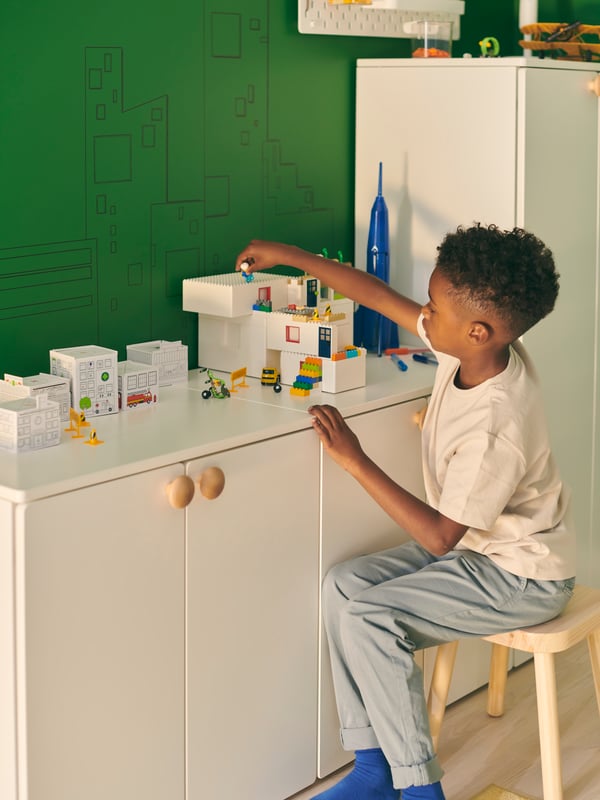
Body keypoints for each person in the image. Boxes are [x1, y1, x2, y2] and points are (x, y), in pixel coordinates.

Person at [236, 224, 576, 800]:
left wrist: (356, 459)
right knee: (344, 587)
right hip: (479, 550)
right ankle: (372, 771)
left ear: (477, 330)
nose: (423, 313)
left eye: (433, 307)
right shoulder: (468, 348)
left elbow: (441, 537)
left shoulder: (499, 422)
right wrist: (293, 256)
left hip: (521, 574)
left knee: (371, 619)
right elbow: (376, 295)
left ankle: (419, 788)